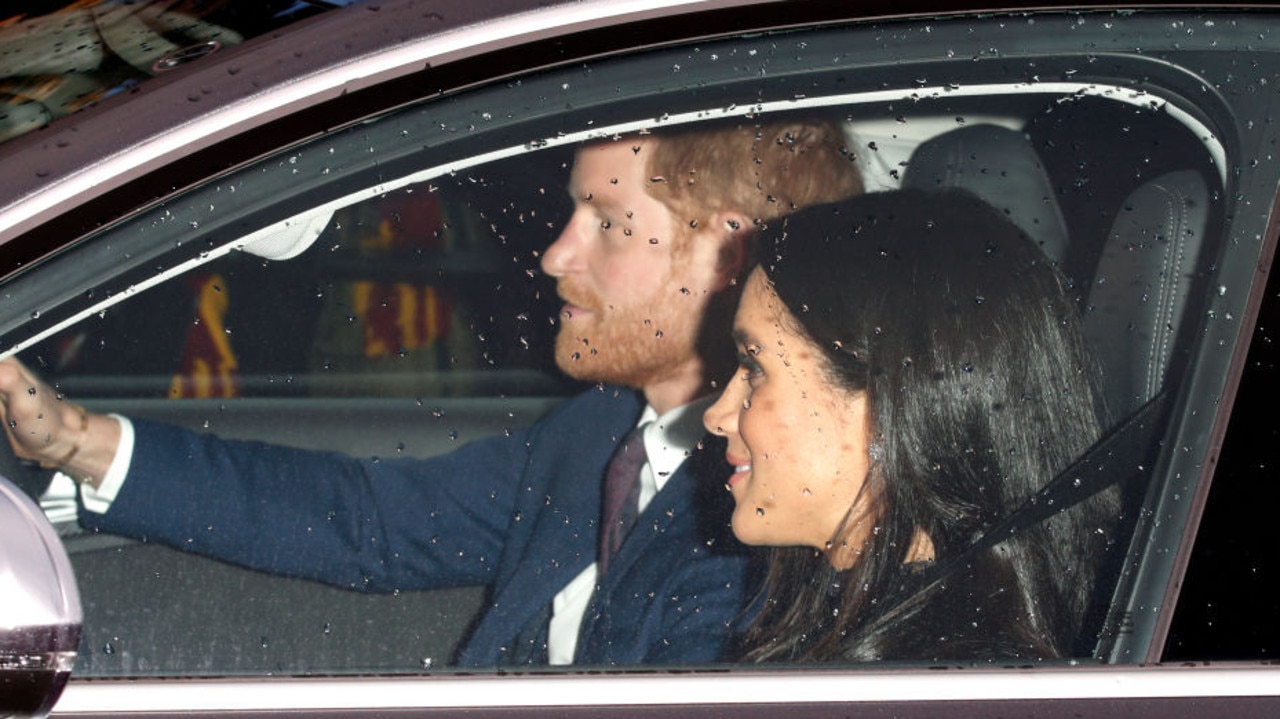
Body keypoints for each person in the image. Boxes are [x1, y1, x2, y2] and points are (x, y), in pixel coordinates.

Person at [0, 117, 864, 667]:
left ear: (730, 256)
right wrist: (79, 440)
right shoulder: (605, 432)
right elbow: (368, 521)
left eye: (604, 222)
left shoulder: (768, 515)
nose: (557, 256)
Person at [702, 188, 1119, 663]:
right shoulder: (927, 648)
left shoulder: (941, 685)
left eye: (754, 368)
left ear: (885, 397)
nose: (715, 417)